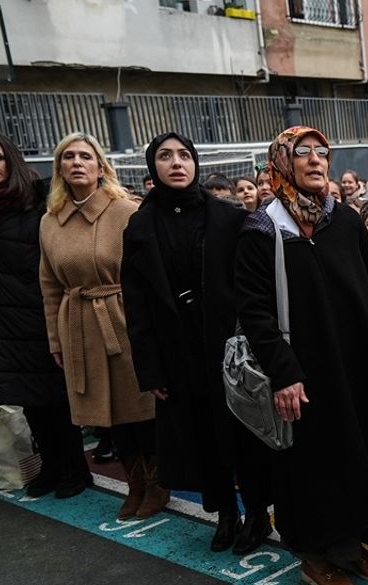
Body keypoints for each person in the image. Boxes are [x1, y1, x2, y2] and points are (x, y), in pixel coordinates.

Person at [234, 126, 368, 585]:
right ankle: (315, 554)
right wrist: (284, 373)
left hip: (356, 361)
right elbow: (255, 310)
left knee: (360, 452)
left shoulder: (347, 220)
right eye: (303, 153)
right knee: (314, 463)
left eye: (322, 152)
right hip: (304, 370)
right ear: (280, 162)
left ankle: (353, 545)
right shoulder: (263, 228)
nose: (316, 161)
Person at [122, 132, 272, 549]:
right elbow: (135, 302)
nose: (176, 163)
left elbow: (251, 285)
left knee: (243, 434)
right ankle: (224, 513)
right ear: (153, 167)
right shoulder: (139, 225)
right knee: (202, 437)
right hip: (177, 349)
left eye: (184, 155)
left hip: (227, 346)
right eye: (166, 156)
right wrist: (150, 367)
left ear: (196, 164)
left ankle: (257, 513)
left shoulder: (226, 216)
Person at [0, 131, 91, 499]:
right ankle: (50, 467)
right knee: (25, 399)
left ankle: (75, 468)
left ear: (11, 160)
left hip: (39, 311)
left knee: (56, 396)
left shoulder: (39, 202)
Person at [39, 133, 155, 500]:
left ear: (100, 166)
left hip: (125, 318)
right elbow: (49, 286)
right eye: (68, 156)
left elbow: (148, 275)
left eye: (85, 156)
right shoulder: (49, 221)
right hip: (80, 324)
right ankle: (134, 484)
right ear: (59, 168)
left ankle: (156, 483)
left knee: (141, 407)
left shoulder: (126, 210)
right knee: (109, 413)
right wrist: (56, 341)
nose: (76, 162)